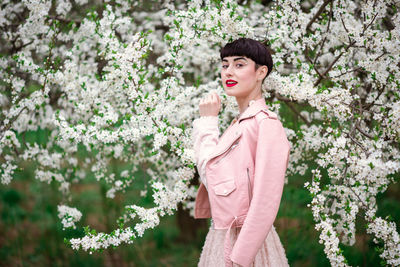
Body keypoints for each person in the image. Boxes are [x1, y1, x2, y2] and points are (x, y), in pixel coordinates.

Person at [192, 38, 291, 267]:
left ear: (260, 72)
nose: (229, 72)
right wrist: (209, 122)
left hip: (247, 245)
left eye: (239, 64)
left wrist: (239, 258)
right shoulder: (239, 124)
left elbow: (265, 201)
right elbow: (213, 179)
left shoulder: (266, 124)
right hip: (224, 234)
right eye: (225, 64)